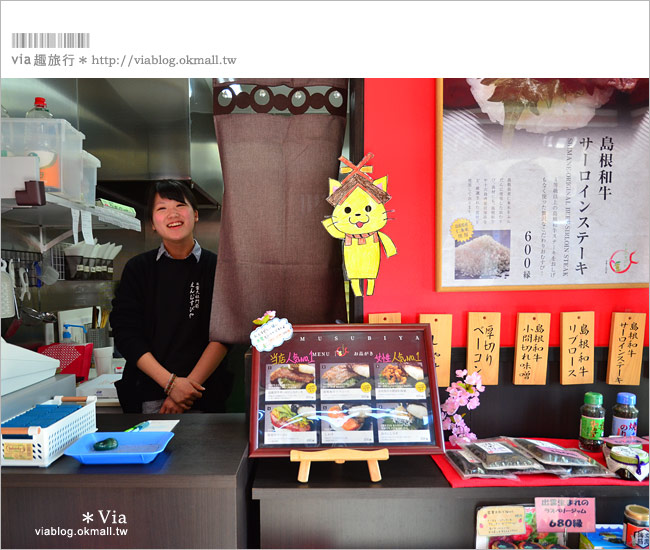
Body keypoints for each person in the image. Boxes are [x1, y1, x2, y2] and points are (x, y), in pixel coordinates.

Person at [111, 180, 229, 413]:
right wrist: (171, 384)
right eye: (161, 208)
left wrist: (184, 391)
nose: (172, 214)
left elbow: (224, 333)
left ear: (195, 215)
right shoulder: (138, 268)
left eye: (179, 205)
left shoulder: (218, 267)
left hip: (203, 396)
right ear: (153, 223)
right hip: (148, 395)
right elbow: (126, 334)